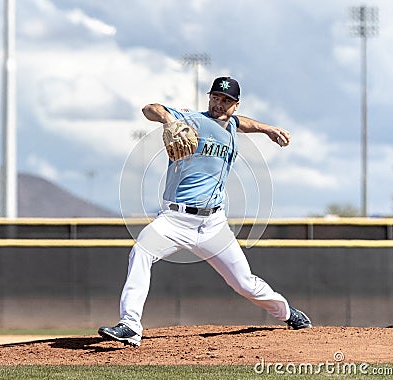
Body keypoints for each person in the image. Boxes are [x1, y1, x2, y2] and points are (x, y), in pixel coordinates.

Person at [98, 76, 312, 346]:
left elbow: (241, 122)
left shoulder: (232, 124)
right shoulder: (192, 120)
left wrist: (268, 129)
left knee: (244, 283)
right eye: (215, 97)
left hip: (214, 224)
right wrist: (169, 120)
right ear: (209, 97)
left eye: (226, 100)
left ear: (235, 105)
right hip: (176, 218)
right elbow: (150, 108)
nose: (218, 104)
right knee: (141, 250)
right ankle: (130, 325)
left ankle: (287, 312)